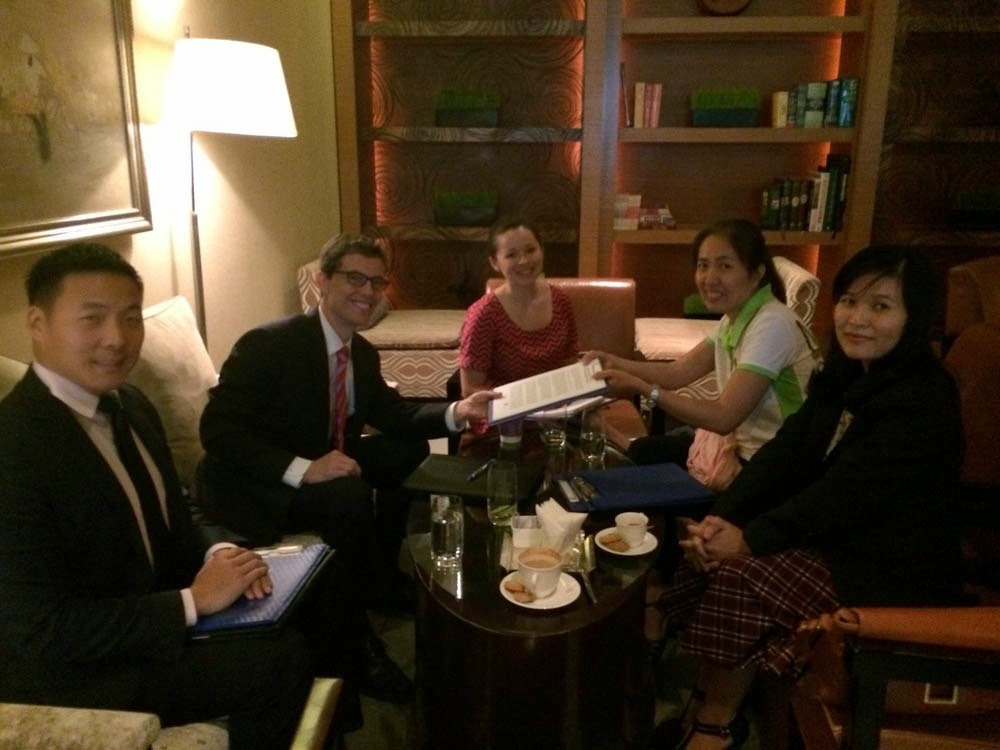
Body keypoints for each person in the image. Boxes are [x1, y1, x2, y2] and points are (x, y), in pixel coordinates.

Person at [649, 245, 965, 749]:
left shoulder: (921, 400)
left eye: (881, 306)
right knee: (706, 551)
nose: (857, 319)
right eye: (849, 301)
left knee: (738, 575)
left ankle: (717, 725)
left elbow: (845, 496)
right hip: (834, 536)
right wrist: (723, 517)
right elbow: (786, 452)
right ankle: (703, 702)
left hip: (886, 563)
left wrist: (751, 538)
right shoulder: (844, 376)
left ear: (915, 317)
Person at [0, 243, 312, 750]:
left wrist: (218, 553)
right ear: (38, 322)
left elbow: (174, 509)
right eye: (92, 319)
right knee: (278, 660)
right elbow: (39, 630)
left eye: (130, 318)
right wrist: (192, 601)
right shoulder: (13, 446)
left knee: (309, 597)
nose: (116, 338)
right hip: (78, 672)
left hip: (150, 614)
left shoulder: (131, 404)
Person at [198, 232, 497, 705]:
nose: (368, 291)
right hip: (257, 481)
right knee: (348, 497)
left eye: (377, 282)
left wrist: (459, 411)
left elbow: (393, 415)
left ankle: (381, 578)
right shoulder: (268, 344)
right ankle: (355, 643)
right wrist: (304, 468)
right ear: (322, 281)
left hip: (326, 455)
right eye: (355, 278)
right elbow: (217, 432)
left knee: (406, 449)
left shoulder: (360, 353)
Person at [585, 218, 818, 470]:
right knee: (650, 451)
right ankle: (615, 439)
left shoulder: (772, 324)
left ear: (756, 273)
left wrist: (642, 388)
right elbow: (677, 372)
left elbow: (723, 417)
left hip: (780, 461)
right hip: (745, 447)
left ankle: (615, 440)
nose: (709, 278)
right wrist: (615, 362)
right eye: (703, 265)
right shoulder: (735, 317)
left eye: (725, 266)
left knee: (648, 466)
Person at [458, 219, 580, 442]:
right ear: (495, 262)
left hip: (559, 412)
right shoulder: (484, 314)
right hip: (506, 419)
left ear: (542, 250)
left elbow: (570, 359)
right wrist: (527, 408)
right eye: (511, 255)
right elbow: (471, 389)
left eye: (530, 250)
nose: (524, 261)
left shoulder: (561, 300)